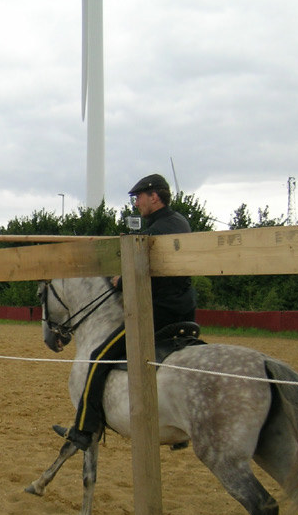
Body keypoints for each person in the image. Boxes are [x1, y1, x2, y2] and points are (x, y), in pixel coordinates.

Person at [55, 173, 198, 450]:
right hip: (185, 309)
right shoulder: (178, 222)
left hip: (157, 311)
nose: (136, 204)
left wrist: (122, 280)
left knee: (97, 358)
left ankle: (84, 428)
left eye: (139, 198)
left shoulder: (156, 231)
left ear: (154, 196)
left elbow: (145, 270)